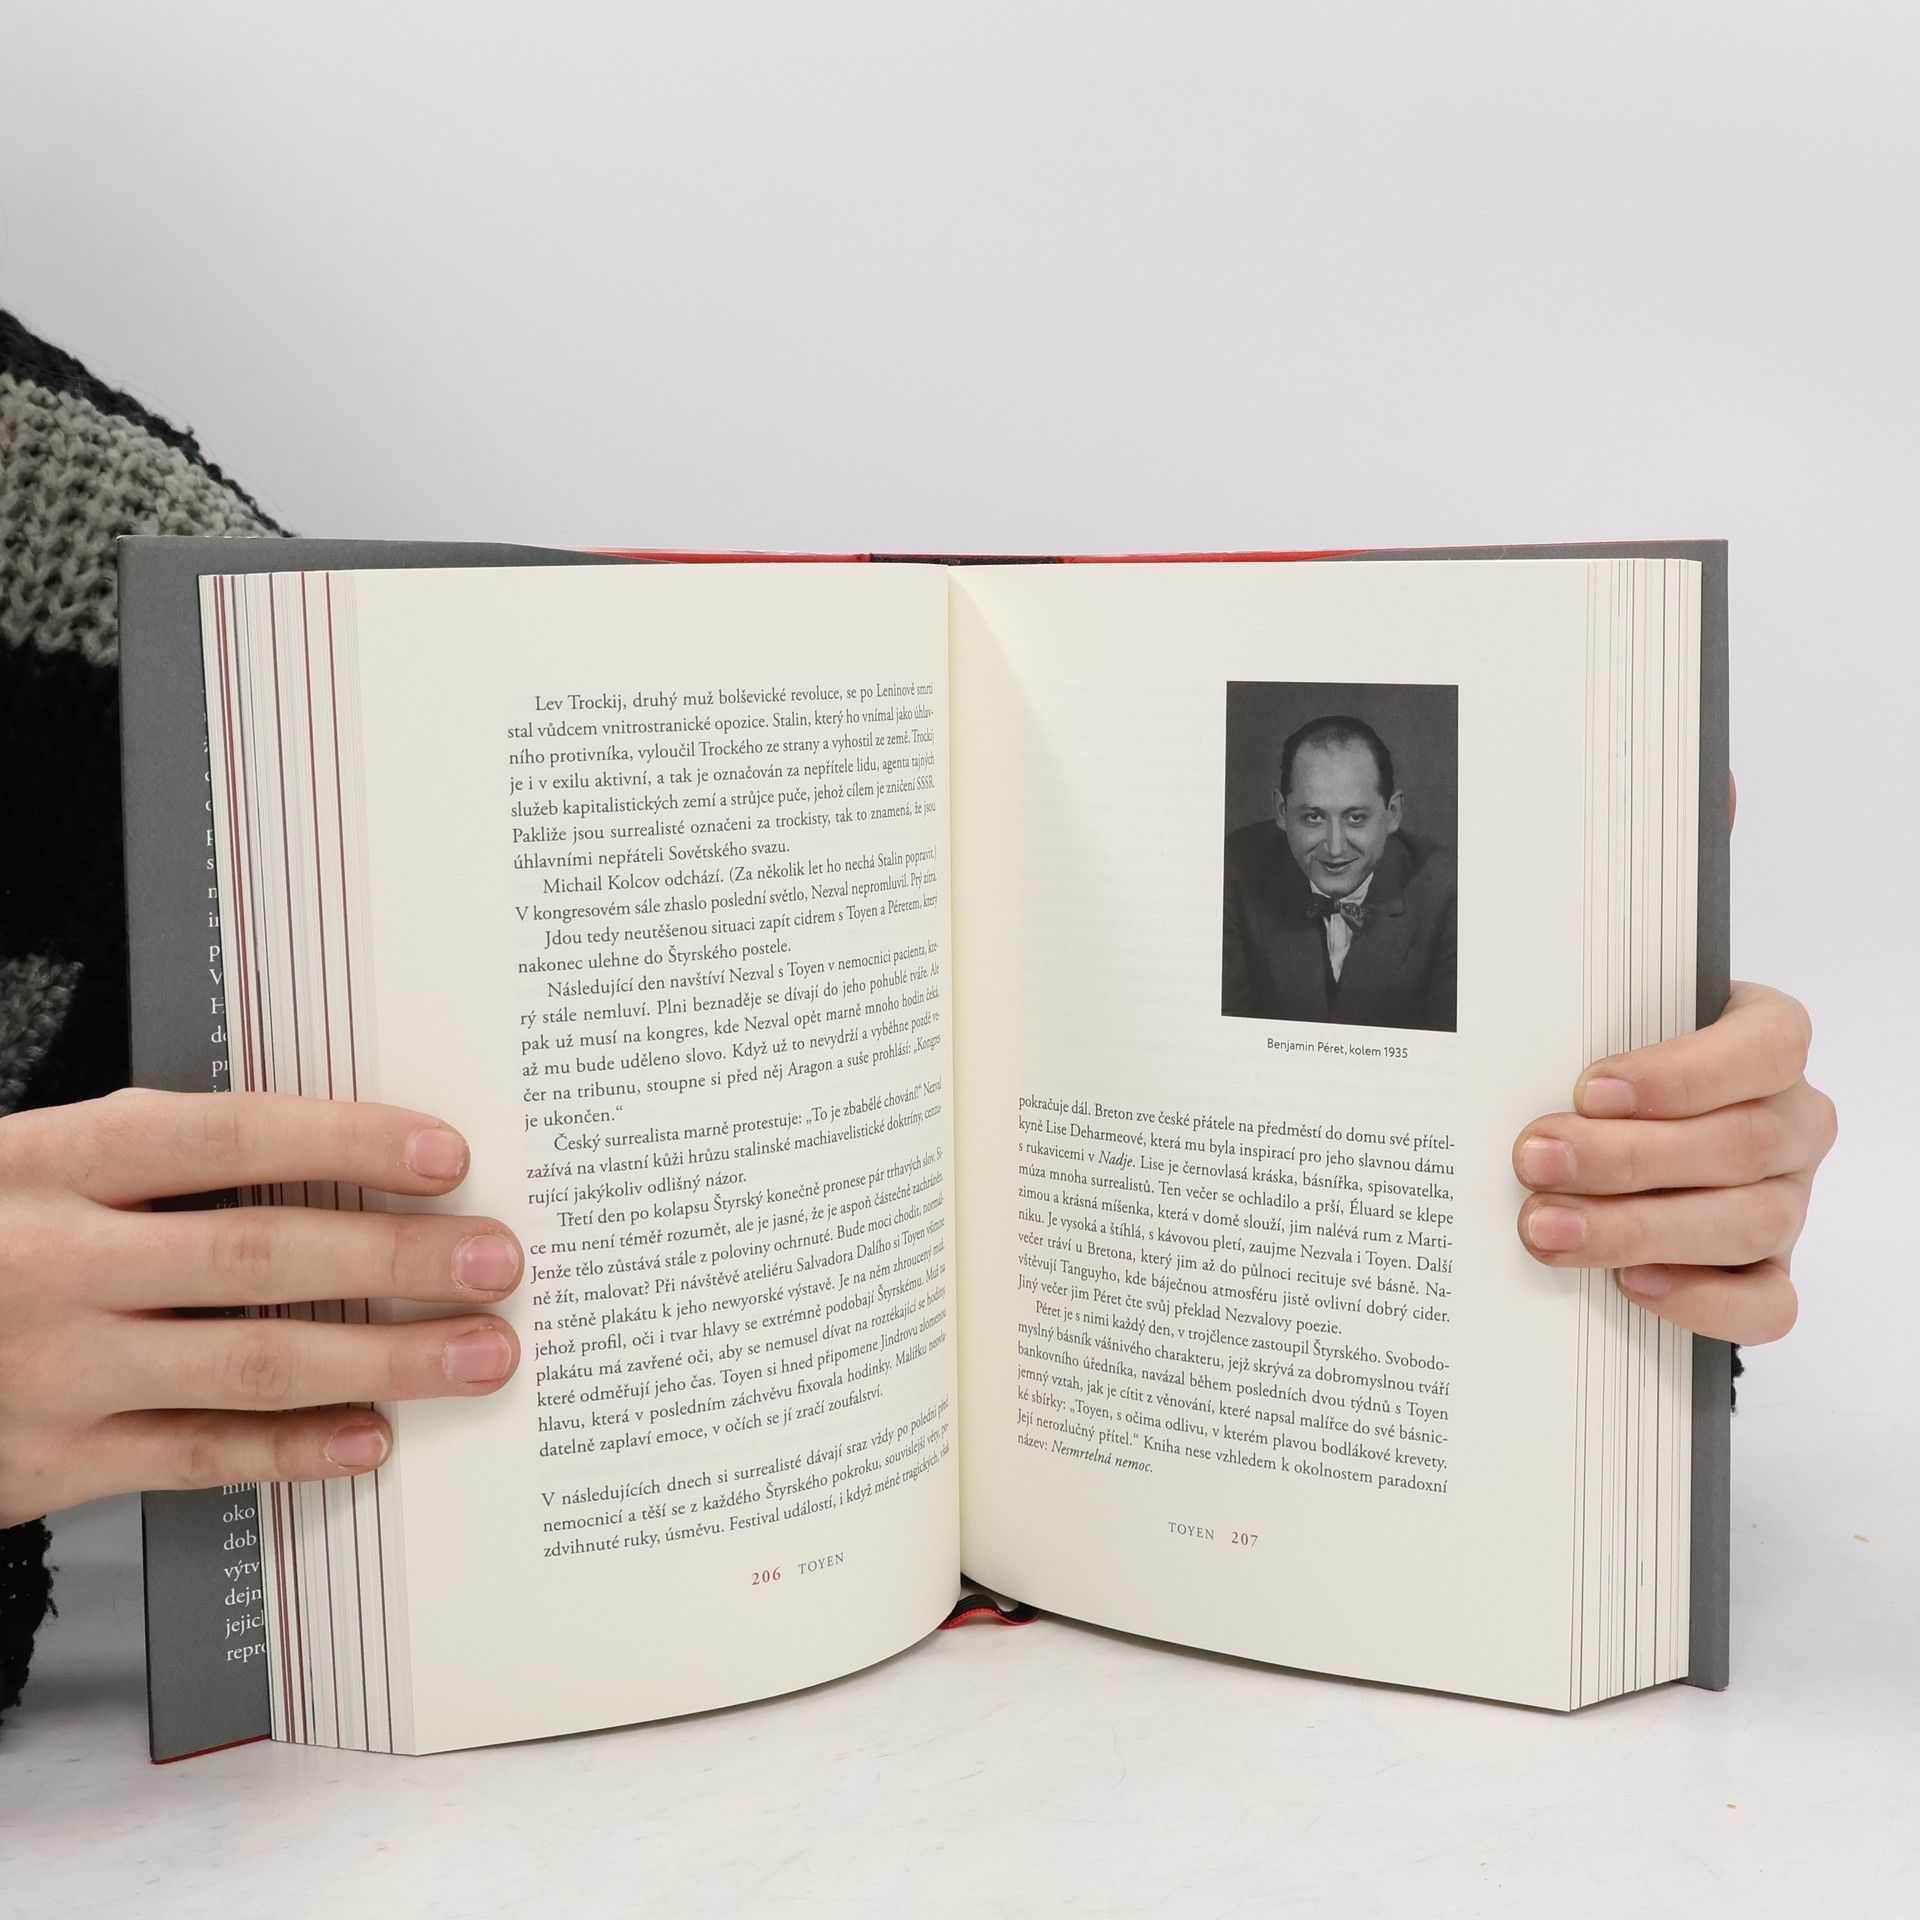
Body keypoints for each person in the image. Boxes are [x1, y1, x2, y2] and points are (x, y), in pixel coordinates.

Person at [0, 312, 1838, 1729]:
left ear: (1397, 819)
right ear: (1280, 825)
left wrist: (1638, 1205)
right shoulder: (1266, 902)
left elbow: (255, 1214)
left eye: (1364, 818)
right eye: (1310, 817)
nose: (1336, 845)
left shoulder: (80, 565)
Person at [1222, 712, 1455, 1030]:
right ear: (1282, 811)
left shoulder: (1446, 891)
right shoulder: (1233, 870)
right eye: (1313, 817)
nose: (1334, 848)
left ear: (1392, 814)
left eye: (1356, 818)